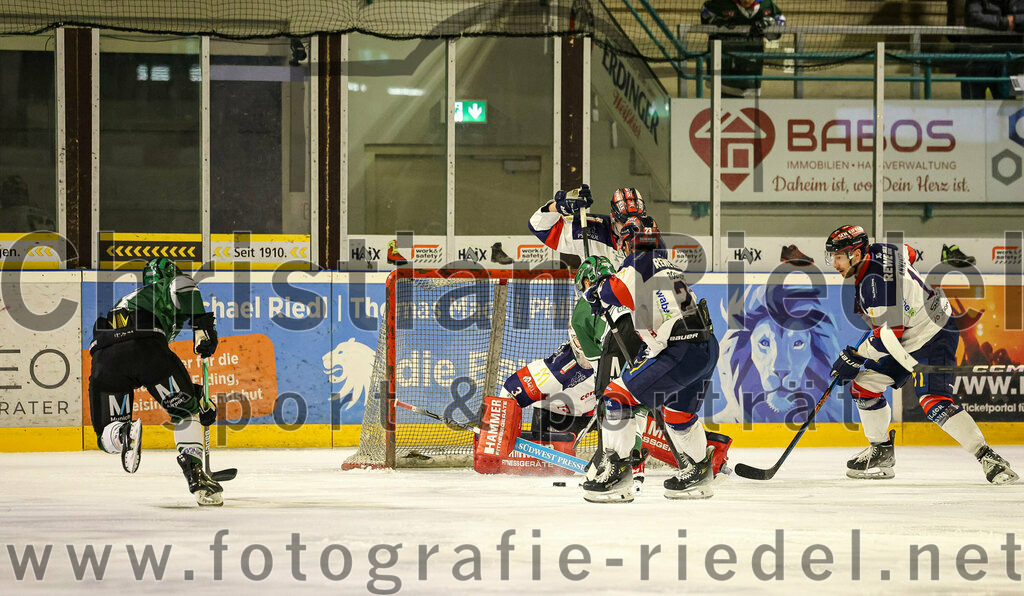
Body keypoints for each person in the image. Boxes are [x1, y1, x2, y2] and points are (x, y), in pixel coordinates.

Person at [824, 225, 1018, 484]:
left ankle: (990, 459)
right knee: (864, 386)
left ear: (857, 253)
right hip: (910, 332)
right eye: (832, 256)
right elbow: (911, 253)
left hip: (933, 335)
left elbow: (889, 334)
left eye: (839, 256)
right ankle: (881, 452)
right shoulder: (883, 250)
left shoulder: (874, 284)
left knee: (934, 401)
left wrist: (855, 356)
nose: (834, 263)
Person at [581, 216, 721, 502]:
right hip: (705, 347)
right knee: (678, 415)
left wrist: (595, 290)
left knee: (616, 396)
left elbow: (614, 291)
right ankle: (698, 473)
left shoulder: (640, 260)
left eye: (624, 238)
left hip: (681, 348)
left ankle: (617, 475)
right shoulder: (667, 263)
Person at [88, 257, 224, 505]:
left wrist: (195, 395)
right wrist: (201, 326)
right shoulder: (166, 286)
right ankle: (195, 474)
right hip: (145, 346)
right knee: (185, 412)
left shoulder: (130, 300)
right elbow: (184, 286)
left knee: (106, 436)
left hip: (105, 358)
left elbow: (145, 368)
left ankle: (124, 433)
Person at [700, 0, 787, 98]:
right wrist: (719, 22)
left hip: (750, 58)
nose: (746, 1)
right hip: (724, 59)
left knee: (742, 92)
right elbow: (705, 14)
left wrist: (769, 23)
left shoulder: (767, 5)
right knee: (723, 92)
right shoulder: (720, 3)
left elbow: (780, 21)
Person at [960, 0, 1024, 99]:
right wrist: (1006, 22)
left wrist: (1015, 20)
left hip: (1009, 63)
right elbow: (973, 17)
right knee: (972, 108)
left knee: (1007, 109)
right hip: (977, 60)